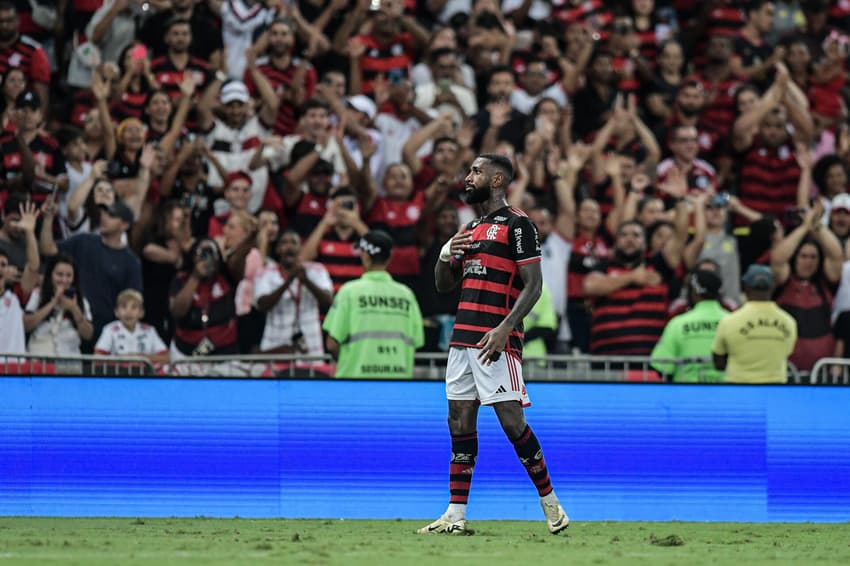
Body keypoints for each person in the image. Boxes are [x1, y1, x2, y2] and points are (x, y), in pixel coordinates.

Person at [419, 154, 568, 536]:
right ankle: (454, 514)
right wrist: (445, 252)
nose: (468, 177)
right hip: (462, 340)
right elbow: (443, 284)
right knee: (459, 422)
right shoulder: (471, 228)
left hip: (495, 340)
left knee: (511, 421)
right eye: (469, 171)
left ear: (497, 178)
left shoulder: (519, 225)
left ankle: (551, 505)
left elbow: (533, 286)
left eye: (476, 171)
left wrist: (505, 328)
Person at [322, 230, 424, 378]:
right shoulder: (407, 295)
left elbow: (332, 344)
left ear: (365, 256)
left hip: (355, 382)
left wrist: (352, 362)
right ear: (389, 258)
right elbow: (416, 342)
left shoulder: (349, 292)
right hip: (398, 381)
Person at [712, 264, 797, 383]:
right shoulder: (789, 322)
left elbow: (718, 363)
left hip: (739, 388)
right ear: (773, 288)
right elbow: (787, 352)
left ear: (746, 288)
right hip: (776, 389)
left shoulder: (729, 321)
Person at [255, 229, 333, 356]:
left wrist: (306, 281)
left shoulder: (317, 270)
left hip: (311, 348)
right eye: (284, 243)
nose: (289, 246)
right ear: (278, 249)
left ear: (300, 248)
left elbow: (329, 302)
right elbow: (262, 305)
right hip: (275, 347)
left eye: (294, 242)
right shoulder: (266, 273)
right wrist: (288, 282)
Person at [651, 269, 728, 382]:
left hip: (686, 394)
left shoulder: (677, 324)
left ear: (694, 292)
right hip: (727, 394)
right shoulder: (733, 321)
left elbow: (662, 366)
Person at [94, 289, 169, 364]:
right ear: (116, 312)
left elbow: (166, 357)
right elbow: (98, 357)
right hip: (118, 373)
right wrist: (122, 360)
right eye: (124, 307)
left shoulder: (150, 330)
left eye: (134, 307)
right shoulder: (109, 329)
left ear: (141, 312)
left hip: (145, 373)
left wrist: (141, 358)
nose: (128, 312)